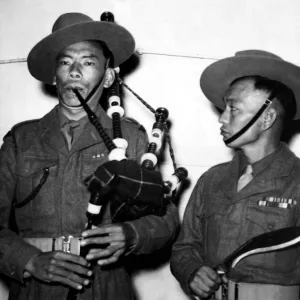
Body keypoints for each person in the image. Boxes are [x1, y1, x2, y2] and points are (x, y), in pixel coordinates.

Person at [0, 12, 179, 300]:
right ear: (54, 75)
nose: (74, 71)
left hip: (106, 286)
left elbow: (164, 218)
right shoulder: (21, 140)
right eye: (65, 62)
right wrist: (28, 260)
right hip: (35, 288)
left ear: (108, 76)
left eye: (88, 62)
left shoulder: (131, 137)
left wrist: (132, 234)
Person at [170, 50, 300, 300]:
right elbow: (184, 248)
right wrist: (192, 271)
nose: (222, 118)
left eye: (233, 108)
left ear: (267, 118)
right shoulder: (212, 180)